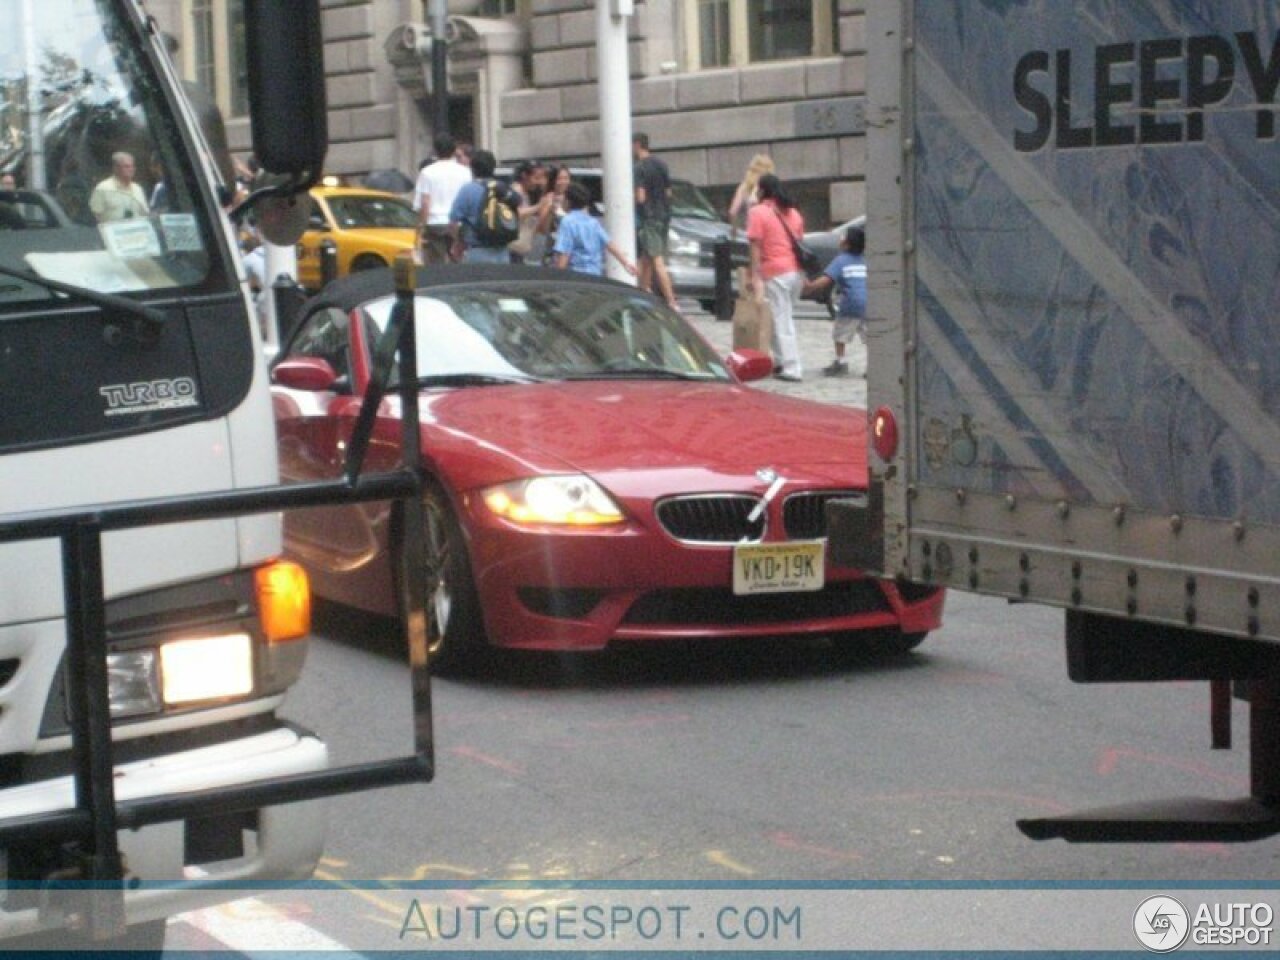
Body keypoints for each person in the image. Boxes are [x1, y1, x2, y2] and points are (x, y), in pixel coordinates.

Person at [746, 173, 805, 381]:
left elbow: (755, 247)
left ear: (761, 190)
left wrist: (755, 275)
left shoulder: (758, 212)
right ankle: (781, 361)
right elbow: (799, 241)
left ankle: (792, 367)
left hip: (774, 271)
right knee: (780, 317)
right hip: (795, 272)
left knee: (781, 320)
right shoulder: (793, 213)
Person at [802, 224, 867, 377]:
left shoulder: (841, 260)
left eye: (842, 237)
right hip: (869, 304)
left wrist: (810, 287)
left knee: (840, 334)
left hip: (850, 305)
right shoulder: (864, 261)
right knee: (869, 337)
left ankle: (840, 361)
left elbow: (826, 280)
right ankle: (871, 367)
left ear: (846, 244)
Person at [632, 132, 678, 311]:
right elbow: (669, 193)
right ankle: (642, 292)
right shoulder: (662, 164)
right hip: (664, 216)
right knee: (647, 258)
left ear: (636, 144)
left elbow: (641, 197)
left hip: (649, 217)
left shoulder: (639, 168)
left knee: (656, 260)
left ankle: (672, 301)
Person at [553, 182, 636, 278]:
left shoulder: (567, 222)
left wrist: (558, 275)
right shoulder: (593, 222)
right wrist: (625, 263)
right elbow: (609, 244)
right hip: (595, 275)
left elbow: (565, 253)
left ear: (568, 201)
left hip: (575, 276)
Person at [414, 133, 472, 264]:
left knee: (435, 265)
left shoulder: (427, 172)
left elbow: (425, 202)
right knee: (459, 262)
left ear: (435, 150)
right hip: (458, 223)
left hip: (435, 223)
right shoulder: (465, 172)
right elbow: (467, 199)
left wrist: (421, 228)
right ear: (453, 150)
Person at [448, 148, 513, 265]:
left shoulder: (467, 190)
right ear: (493, 168)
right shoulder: (504, 189)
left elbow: (453, 221)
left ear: (472, 169)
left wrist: (458, 242)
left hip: (477, 251)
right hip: (502, 252)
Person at [508, 159, 549, 264]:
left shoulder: (527, 193)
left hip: (520, 250)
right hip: (513, 250)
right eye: (536, 178)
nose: (538, 182)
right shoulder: (516, 190)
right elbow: (517, 213)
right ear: (524, 176)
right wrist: (538, 206)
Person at [89, 151, 149, 222]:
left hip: (136, 231)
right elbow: (94, 216)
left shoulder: (138, 189)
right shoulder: (102, 188)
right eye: (126, 166)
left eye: (132, 166)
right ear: (116, 168)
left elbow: (145, 214)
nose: (131, 170)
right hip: (112, 232)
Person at [727, 153, 774, 234]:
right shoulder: (769, 186)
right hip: (766, 233)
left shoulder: (744, 186)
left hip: (746, 233)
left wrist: (735, 231)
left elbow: (733, 212)